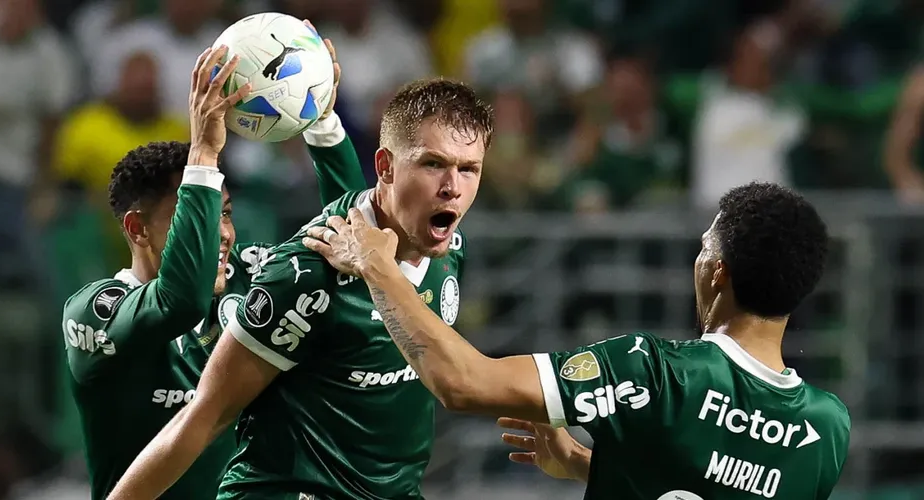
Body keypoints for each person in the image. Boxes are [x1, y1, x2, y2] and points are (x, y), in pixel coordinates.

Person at [303, 182, 851, 499]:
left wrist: (377, 266)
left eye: (704, 246)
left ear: (718, 272)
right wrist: (589, 467)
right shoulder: (826, 429)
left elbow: (462, 383)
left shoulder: (655, 373)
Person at [106, 78, 493, 500]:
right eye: (432, 164)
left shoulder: (449, 249)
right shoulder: (304, 274)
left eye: (468, 169)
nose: (452, 187)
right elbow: (203, 417)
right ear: (385, 166)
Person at [63, 32, 365, 499]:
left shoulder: (251, 277)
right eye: (196, 213)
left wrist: (318, 116)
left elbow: (347, 236)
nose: (222, 233)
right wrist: (202, 154)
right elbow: (181, 299)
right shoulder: (96, 313)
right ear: (137, 229)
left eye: (224, 212)